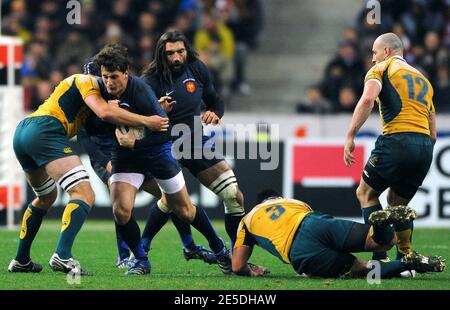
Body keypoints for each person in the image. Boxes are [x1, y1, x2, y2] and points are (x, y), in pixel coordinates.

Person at [7, 70, 169, 275]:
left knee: (46, 197)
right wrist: (148, 121)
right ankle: (62, 256)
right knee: (84, 194)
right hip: (45, 130)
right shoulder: (86, 81)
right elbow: (105, 113)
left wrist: (154, 107)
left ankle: (21, 260)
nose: (110, 85)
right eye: (106, 79)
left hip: (25, 132)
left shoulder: (86, 102)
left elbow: (110, 119)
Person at [94, 44, 231, 275]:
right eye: (105, 77)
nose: (109, 83)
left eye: (114, 77)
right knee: (121, 210)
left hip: (156, 153)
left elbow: (165, 131)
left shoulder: (141, 90)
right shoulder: (99, 93)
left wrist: (135, 141)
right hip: (125, 158)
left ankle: (219, 249)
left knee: (185, 211)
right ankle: (140, 260)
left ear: (126, 73)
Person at [140, 30, 245, 253]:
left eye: (180, 52)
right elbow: (138, 120)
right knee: (173, 202)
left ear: (186, 50)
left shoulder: (197, 68)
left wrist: (216, 113)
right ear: (161, 54)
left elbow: (215, 100)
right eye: (170, 54)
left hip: (195, 142)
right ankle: (140, 250)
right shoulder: (149, 81)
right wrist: (157, 111)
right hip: (163, 147)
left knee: (234, 196)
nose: (176, 58)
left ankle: (237, 257)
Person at [343, 33, 437, 261]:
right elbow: (433, 131)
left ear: (386, 52)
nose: (373, 59)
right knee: (398, 205)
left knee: (365, 193)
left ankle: (380, 255)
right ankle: (406, 259)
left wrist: (350, 135)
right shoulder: (423, 79)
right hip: (424, 147)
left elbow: (367, 100)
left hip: (397, 139)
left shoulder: (381, 69)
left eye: (374, 52)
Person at [232, 190, 445, 278]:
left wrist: (253, 270)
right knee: (383, 242)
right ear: (276, 197)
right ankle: (381, 224)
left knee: (362, 270)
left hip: (300, 249)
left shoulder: (247, 220)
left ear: (259, 204)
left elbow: (237, 266)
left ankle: (410, 263)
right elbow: (310, 217)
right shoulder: (292, 201)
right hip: (313, 222)